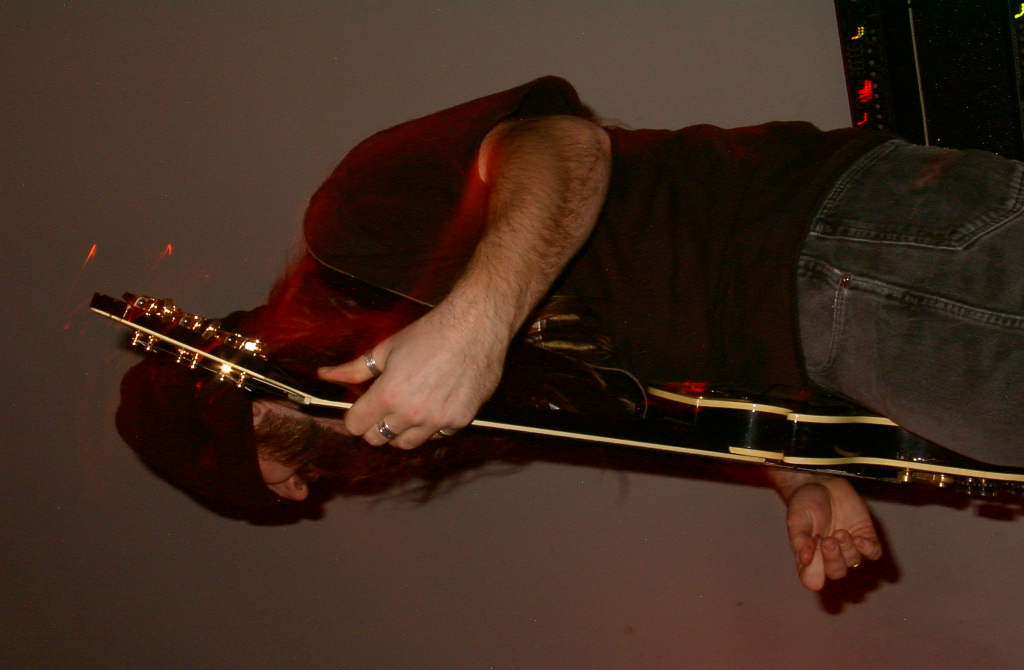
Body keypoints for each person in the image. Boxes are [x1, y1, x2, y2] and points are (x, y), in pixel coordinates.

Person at [117, 76, 1024, 590]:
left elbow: (562, 145)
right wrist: (798, 470)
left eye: (263, 473)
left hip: (836, 246)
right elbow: (671, 351)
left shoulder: (353, 223)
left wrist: (475, 326)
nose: (295, 490)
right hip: (828, 336)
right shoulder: (472, 396)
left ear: (235, 394)